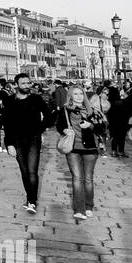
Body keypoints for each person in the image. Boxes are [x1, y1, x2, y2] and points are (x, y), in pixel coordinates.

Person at [0, 73, 51, 214]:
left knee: (32, 171)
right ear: (16, 84)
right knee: (24, 171)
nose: (27, 86)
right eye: (23, 83)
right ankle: (30, 197)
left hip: (34, 139)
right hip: (17, 140)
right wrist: (9, 144)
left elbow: (49, 117)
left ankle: (32, 201)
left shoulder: (36, 99)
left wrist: (39, 130)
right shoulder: (9, 101)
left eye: (28, 83)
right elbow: (7, 124)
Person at [57, 85, 104, 221]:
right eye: (75, 94)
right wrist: (64, 130)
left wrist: (90, 126)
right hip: (73, 149)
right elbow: (59, 125)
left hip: (90, 149)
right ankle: (79, 209)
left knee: (88, 179)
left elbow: (102, 128)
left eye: (81, 94)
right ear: (70, 96)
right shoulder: (65, 110)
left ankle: (89, 206)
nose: (79, 96)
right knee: (77, 178)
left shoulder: (92, 111)